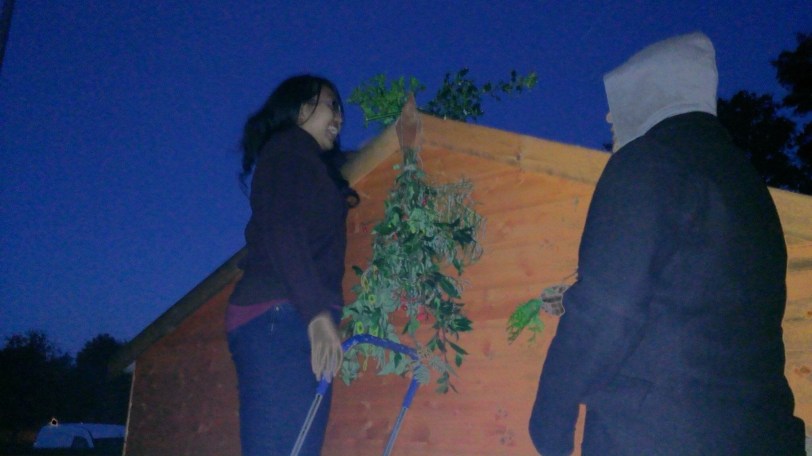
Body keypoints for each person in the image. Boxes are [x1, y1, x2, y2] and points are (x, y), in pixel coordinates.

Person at [528, 32, 806, 455]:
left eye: (619, 101)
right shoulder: (749, 187)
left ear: (649, 95)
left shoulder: (646, 163)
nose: (609, 117)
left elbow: (605, 313)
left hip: (660, 436)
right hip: (763, 434)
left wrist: (550, 422)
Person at [226, 75, 359, 455]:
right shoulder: (286, 153)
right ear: (301, 110)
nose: (340, 117)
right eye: (331, 105)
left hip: (292, 315)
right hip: (280, 316)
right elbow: (284, 232)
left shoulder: (308, 161)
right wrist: (317, 315)